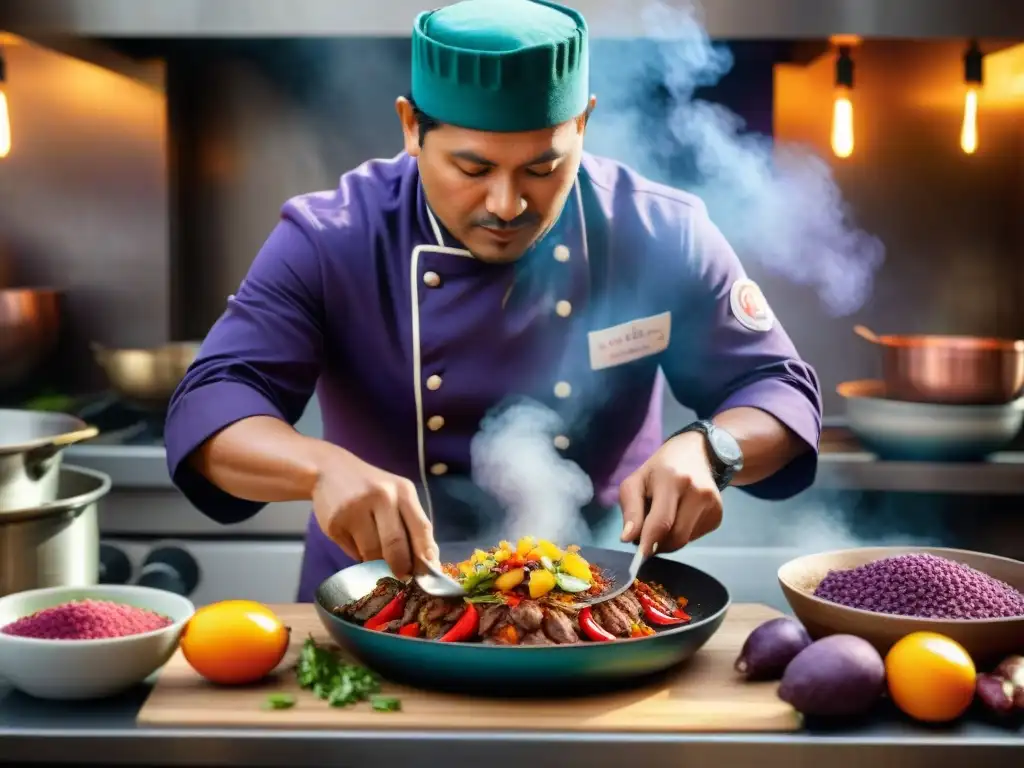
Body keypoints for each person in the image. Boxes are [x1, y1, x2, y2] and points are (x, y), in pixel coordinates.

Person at [164, 0, 823, 602]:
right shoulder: (332, 236)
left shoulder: (656, 230)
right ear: (411, 128)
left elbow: (776, 387)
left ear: (584, 124)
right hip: (377, 610)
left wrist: (711, 448)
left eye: (542, 168)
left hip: (594, 611)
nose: (508, 206)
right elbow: (211, 406)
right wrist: (319, 469)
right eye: (473, 169)